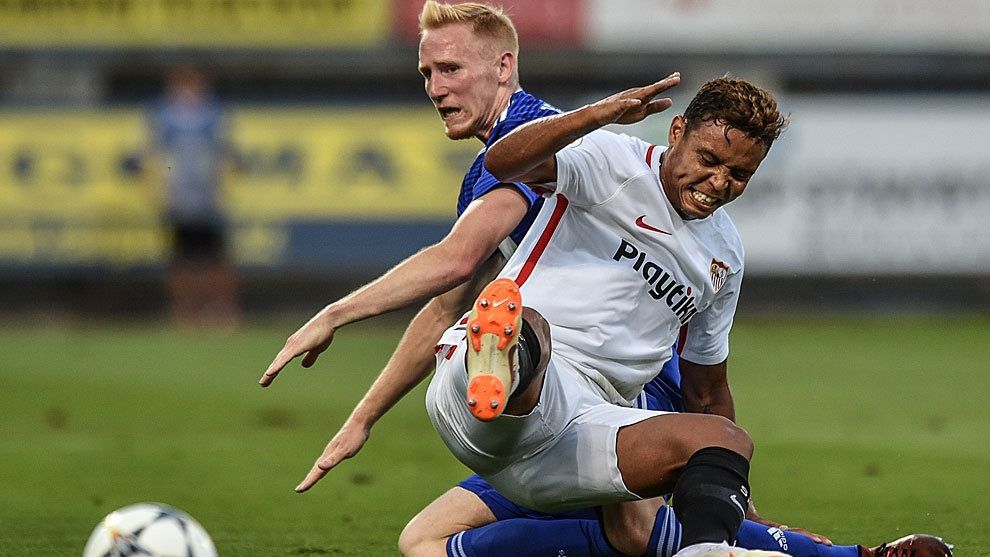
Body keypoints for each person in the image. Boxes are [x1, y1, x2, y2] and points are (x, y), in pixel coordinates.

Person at [260, 3, 951, 557]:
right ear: (675, 131)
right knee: (524, 321)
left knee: (434, 540)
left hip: (590, 428)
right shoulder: (602, 156)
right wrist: (597, 112)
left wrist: (732, 490)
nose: (718, 183)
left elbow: (709, 390)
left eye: (738, 176)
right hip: (506, 390)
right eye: (708, 159)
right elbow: (464, 255)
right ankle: (504, 365)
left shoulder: (724, 258)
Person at [149, 64, 239, 329]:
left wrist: (221, 187)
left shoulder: (212, 114)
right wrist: (161, 192)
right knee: (181, 261)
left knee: (217, 259)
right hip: (178, 198)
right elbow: (154, 155)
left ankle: (223, 312)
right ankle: (184, 314)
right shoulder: (163, 116)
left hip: (207, 199)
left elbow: (224, 153)